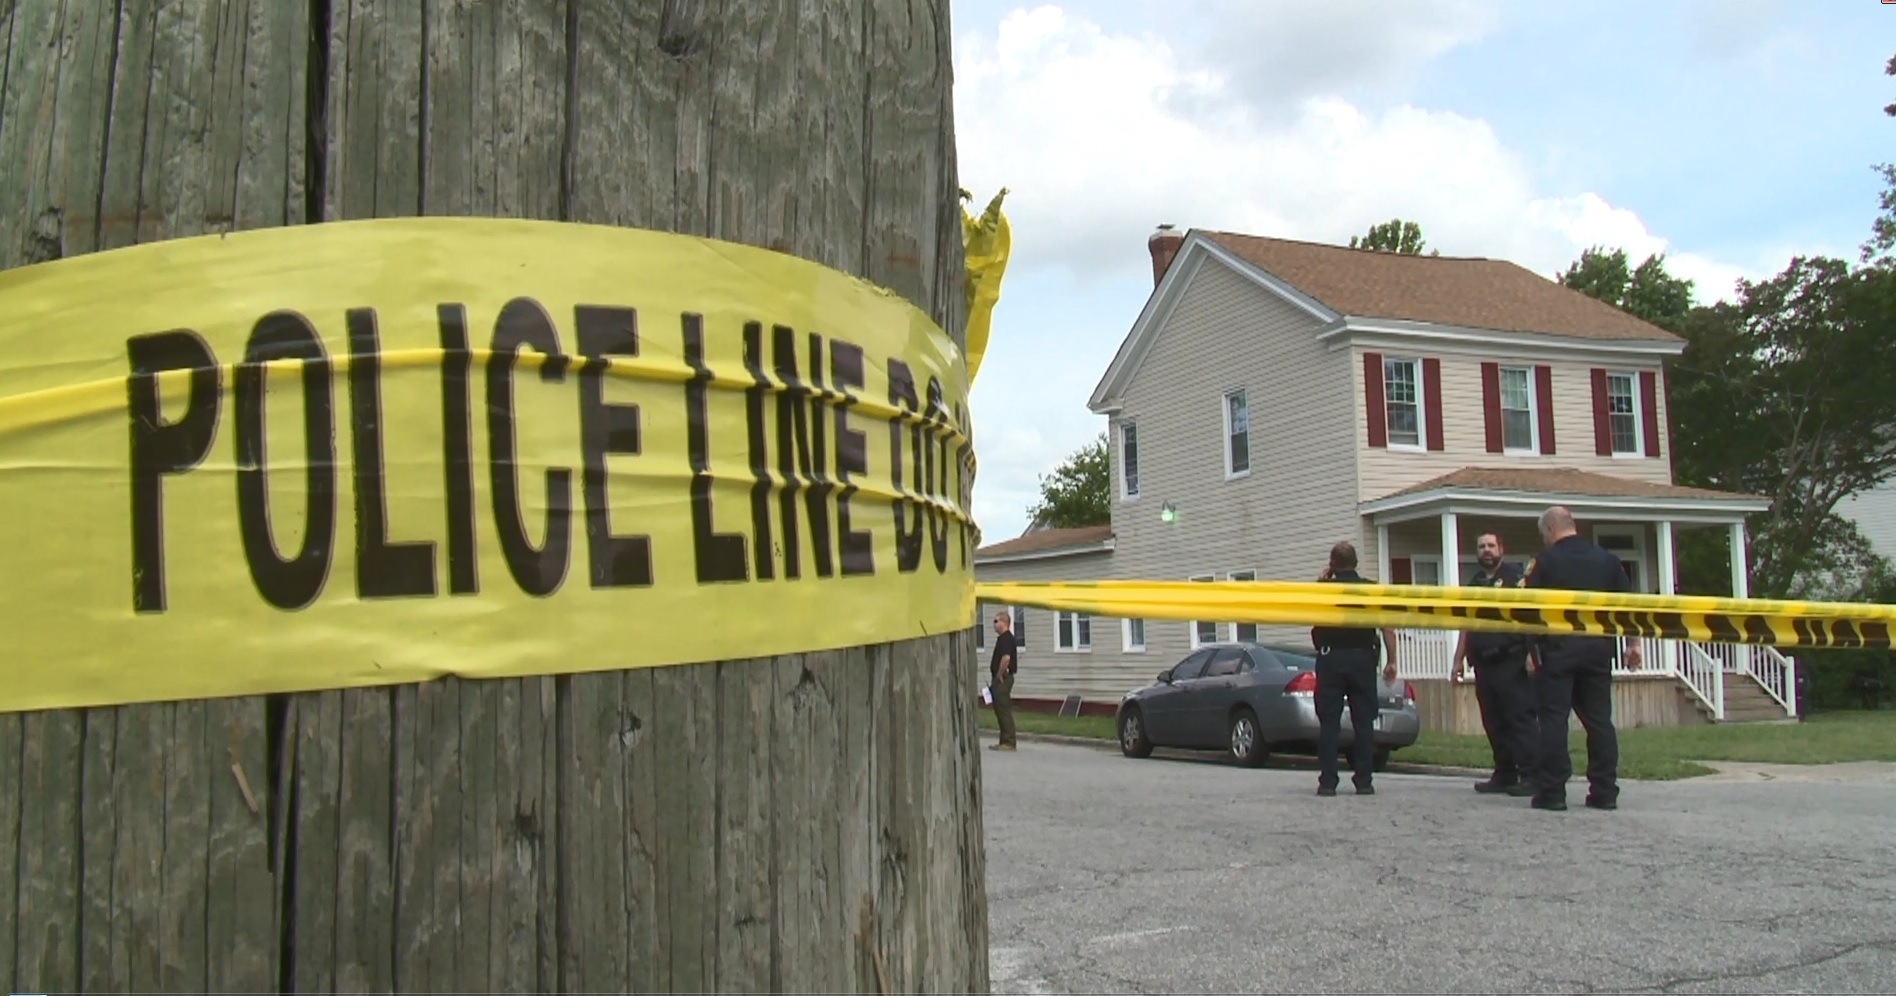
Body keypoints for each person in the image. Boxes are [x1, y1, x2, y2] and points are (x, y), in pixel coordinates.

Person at [1514, 506, 1642, 811]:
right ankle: (1605, 791)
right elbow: (1628, 605)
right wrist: (1633, 644)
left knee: (1554, 721)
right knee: (1599, 721)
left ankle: (1553, 792)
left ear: (1549, 531)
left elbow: (1529, 611)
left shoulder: (1544, 562)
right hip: (1598, 651)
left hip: (1557, 651)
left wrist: (1531, 652)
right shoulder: (1607, 560)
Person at [1451, 532, 1539, 795]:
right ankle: (1505, 772)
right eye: (1481, 547)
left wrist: (1531, 652)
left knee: (1519, 719)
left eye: (1491, 546)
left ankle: (1532, 774)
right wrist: (1458, 659)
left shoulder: (1517, 579)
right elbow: (1466, 623)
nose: (1486, 550)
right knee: (1493, 720)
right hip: (1483, 664)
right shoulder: (1475, 583)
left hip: (1511, 659)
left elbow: (1531, 617)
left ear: (1502, 548)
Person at [1310, 541, 1399, 796]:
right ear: (1356, 563)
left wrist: (1324, 578)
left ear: (1333, 563)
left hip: (1331, 659)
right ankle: (1364, 781)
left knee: (1329, 722)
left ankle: (1328, 782)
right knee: (1364, 722)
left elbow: (1312, 619)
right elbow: (1387, 626)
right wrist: (1391, 661)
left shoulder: (1322, 590)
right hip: (1362, 660)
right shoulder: (1370, 590)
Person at [989, 610, 1019, 751]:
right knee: (999, 709)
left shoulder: (1007, 638)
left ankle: (1009, 741)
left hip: (1004, 678)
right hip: (999, 677)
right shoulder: (1002, 639)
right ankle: (1003, 741)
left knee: (1004, 708)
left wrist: (1000, 674)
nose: (994, 625)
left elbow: (1006, 658)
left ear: (1003, 622)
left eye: (996, 621)